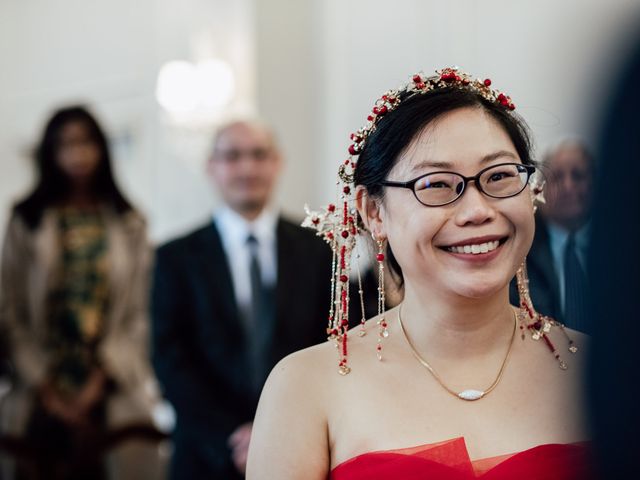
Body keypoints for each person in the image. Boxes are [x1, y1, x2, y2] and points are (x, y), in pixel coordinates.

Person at [247, 68, 592, 479]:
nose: (478, 210)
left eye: (499, 176)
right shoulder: (304, 387)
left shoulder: (601, 371)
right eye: (437, 185)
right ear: (374, 212)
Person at [151, 119, 332, 479]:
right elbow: (169, 357)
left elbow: (327, 344)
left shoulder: (317, 248)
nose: (247, 167)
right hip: (205, 453)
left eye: (258, 155)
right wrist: (233, 436)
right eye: (232, 156)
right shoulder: (175, 257)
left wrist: (276, 432)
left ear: (277, 163)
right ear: (211, 167)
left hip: (300, 448)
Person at [0, 106, 158, 479]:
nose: (77, 154)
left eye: (86, 143)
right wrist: (45, 385)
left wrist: (98, 381)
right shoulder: (27, 219)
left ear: (101, 148)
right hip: (39, 390)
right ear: (49, 153)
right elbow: (10, 311)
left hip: (111, 386)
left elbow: (139, 310)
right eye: (65, 145)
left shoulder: (129, 221)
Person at [509, 139, 594, 332]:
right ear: (541, 188)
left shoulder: (621, 246)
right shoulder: (521, 249)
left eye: (578, 176)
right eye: (557, 178)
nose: (568, 186)